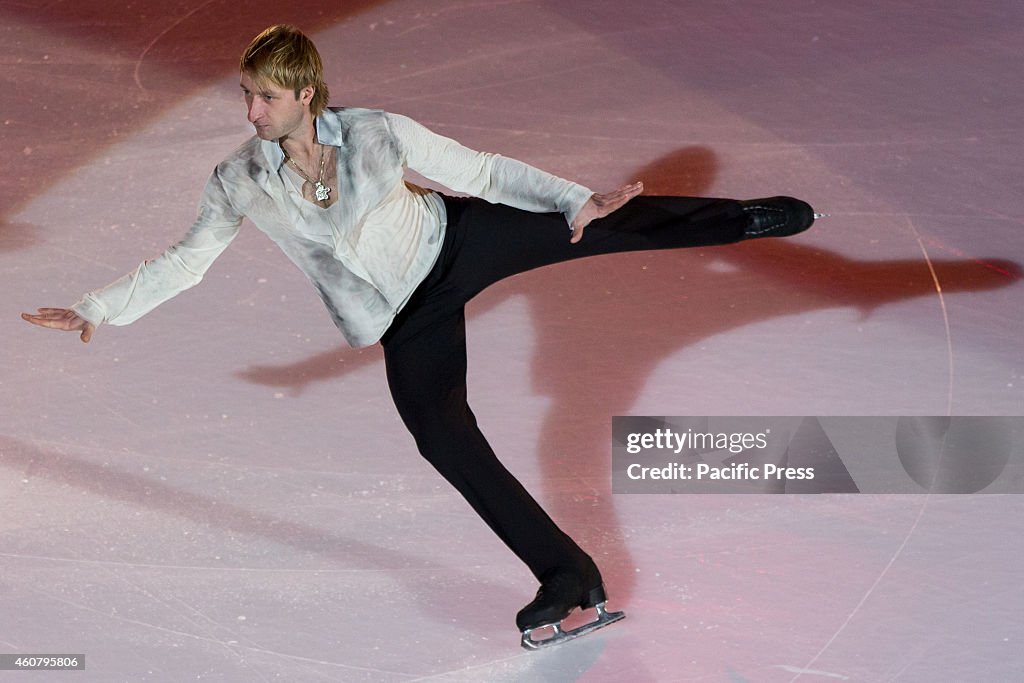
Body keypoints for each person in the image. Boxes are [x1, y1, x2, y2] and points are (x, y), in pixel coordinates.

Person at [22, 25, 817, 649]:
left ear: (304, 93)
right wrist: (100, 308)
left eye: (263, 96)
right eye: (246, 95)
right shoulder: (240, 178)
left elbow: (482, 170)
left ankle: (741, 218)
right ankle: (567, 574)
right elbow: (189, 257)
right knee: (441, 435)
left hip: (458, 241)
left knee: (593, 226)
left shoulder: (375, 132)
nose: (250, 112)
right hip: (403, 315)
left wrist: (574, 196)